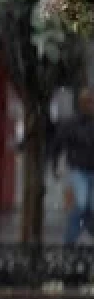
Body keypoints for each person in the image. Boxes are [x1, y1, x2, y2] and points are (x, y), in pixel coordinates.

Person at [52, 88, 94, 245]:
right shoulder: (72, 123)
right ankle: (70, 239)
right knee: (82, 203)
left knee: (90, 206)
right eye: (88, 102)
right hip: (79, 170)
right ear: (82, 104)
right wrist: (55, 164)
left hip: (91, 169)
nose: (91, 106)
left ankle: (87, 229)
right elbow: (58, 144)